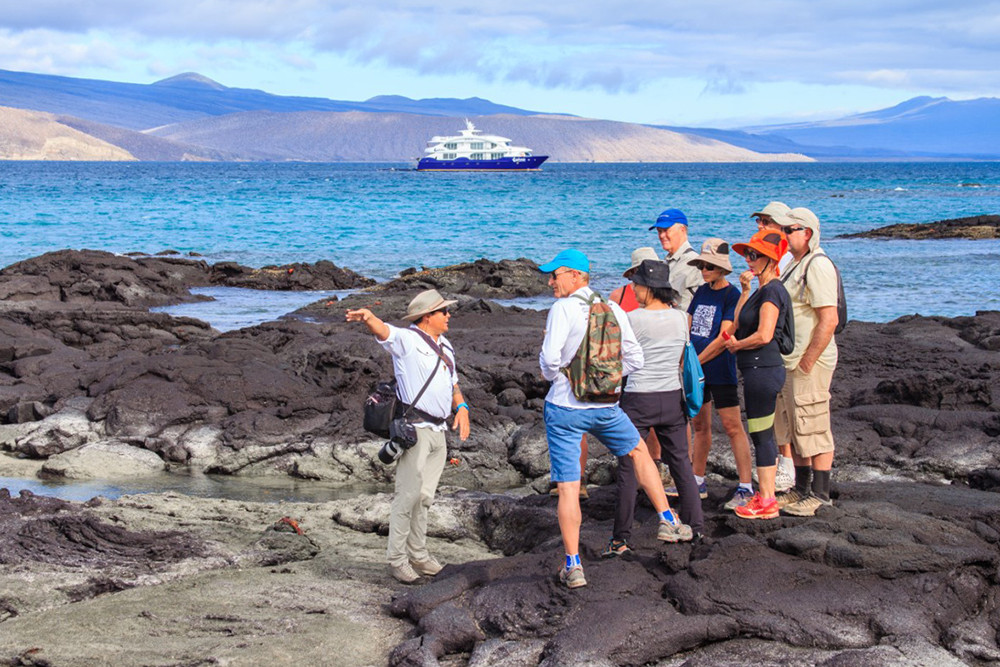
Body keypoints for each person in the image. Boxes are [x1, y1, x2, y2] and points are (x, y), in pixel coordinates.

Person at [538, 249, 691, 588]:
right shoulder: (616, 309)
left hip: (565, 408)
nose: (550, 281)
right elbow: (635, 359)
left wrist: (562, 376)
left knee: (568, 487)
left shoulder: (562, 309)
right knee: (638, 452)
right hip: (606, 406)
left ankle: (574, 565)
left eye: (556, 274)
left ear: (577, 276)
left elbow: (549, 361)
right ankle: (667, 517)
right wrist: (607, 380)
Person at [346, 289, 471, 584]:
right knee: (407, 496)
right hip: (415, 430)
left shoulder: (447, 346)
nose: (448, 315)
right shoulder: (409, 339)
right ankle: (397, 560)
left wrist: (462, 407)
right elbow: (385, 332)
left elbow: (453, 383)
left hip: (439, 432)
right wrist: (368, 318)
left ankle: (419, 554)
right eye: (444, 312)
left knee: (425, 498)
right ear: (428, 316)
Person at [605, 259, 703, 558]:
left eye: (637, 285)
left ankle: (620, 538)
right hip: (673, 397)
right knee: (681, 464)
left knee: (629, 467)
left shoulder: (632, 319)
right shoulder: (681, 318)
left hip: (638, 397)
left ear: (648, 289)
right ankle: (695, 527)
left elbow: (617, 354)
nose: (633, 289)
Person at [772, 207, 840, 516]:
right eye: (783, 230)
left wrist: (808, 361)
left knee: (813, 424)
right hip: (789, 360)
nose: (784, 235)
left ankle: (821, 494)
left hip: (807, 361)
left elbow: (829, 319)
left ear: (807, 233)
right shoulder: (793, 264)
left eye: (790, 230)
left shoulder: (818, 265)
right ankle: (801, 489)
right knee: (792, 427)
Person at [723, 230, 792, 520]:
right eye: (748, 254)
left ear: (771, 259)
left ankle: (766, 499)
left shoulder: (774, 290)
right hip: (755, 370)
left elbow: (764, 334)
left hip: (764, 369)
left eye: (755, 255)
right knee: (760, 432)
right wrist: (745, 291)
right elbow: (739, 322)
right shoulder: (761, 290)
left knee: (762, 434)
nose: (749, 260)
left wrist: (738, 345)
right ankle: (765, 497)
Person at [685, 238, 754, 509]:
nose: (704, 270)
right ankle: (697, 479)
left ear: (721, 268)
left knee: (732, 426)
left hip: (719, 370)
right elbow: (688, 327)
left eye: (709, 266)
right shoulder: (701, 292)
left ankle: (746, 485)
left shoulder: (732, 295)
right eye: (702, 265)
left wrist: (696, 362)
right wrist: (685, 359)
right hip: (697, 369)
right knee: (699, 426)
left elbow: (726, 335)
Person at [751, 201, 795, 489]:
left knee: (783, 413)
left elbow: (767, 330)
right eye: (760, 221)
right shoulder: (765, 267)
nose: (761, 226)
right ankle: (780, 467)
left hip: (776, 353)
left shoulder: (784, 263)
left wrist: (739, 344)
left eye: (767, 222)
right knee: (773, 416)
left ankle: (787, 468)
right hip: (769, 355)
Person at [650, 208, 703, 312]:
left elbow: (664, 296)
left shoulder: (691, 261)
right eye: (659, 231)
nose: (661, 236)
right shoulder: (669, 260)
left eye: (666, 230)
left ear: (682, 230)